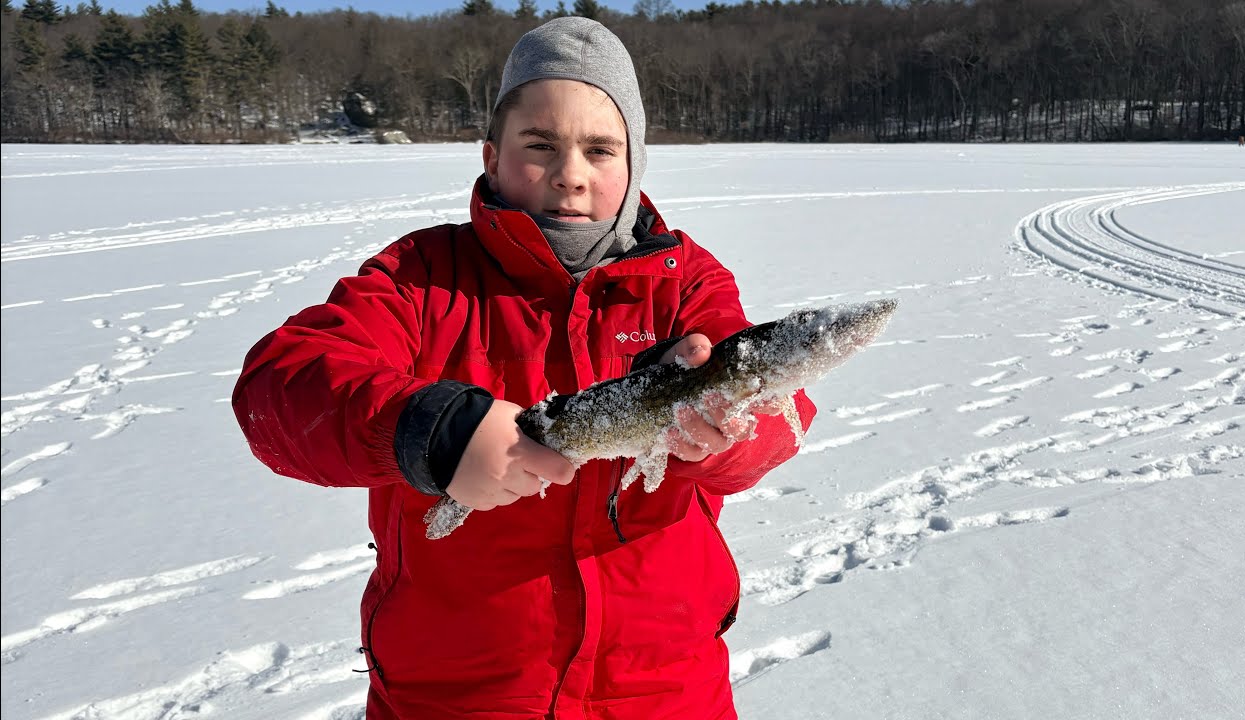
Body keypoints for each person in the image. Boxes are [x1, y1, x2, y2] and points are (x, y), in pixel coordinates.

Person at [232, 17, 816, 720]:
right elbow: (279, 386)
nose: (570, 175)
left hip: (664, 688)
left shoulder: (683, 283)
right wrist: (429, 430)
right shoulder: (422, 276)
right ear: (491, 156)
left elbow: (778, 411)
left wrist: (731, 431)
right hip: (456, 694)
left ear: (633, 166)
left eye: (601, 150)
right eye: (539, 146)